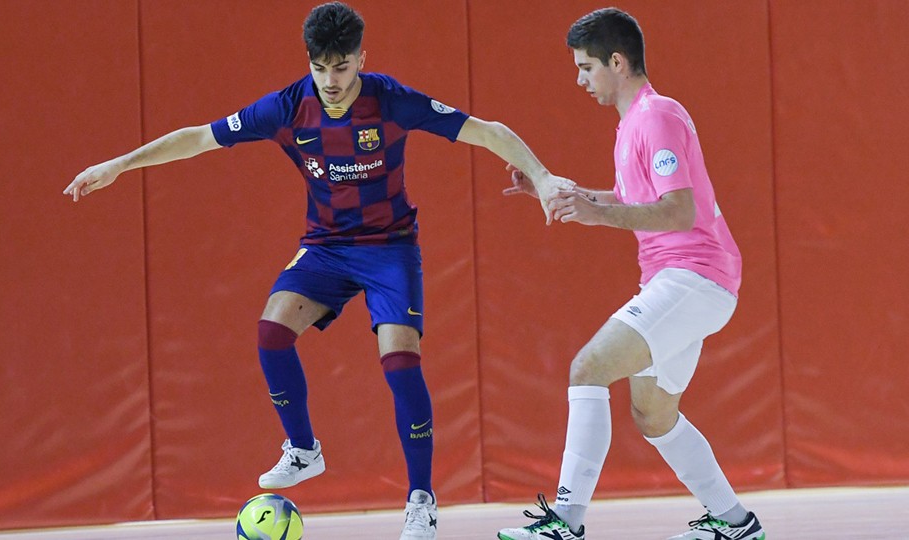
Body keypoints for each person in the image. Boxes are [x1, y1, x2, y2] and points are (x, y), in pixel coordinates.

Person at [63, 3, 569, 539]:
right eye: (321, 67)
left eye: (343, 67)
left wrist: (542, 176)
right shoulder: (286, 108)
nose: (331, 80)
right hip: (325, 247)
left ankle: (420, 498)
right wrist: (118, 164)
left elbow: (487, 131)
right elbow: (197, 138)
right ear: (309, 62)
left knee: (399, 360)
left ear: (361, 59)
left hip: (389, 247)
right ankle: (303, 449)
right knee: (271, 332)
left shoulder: (391, 101)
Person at [497, 8, 765, 540]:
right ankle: (737, 523)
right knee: (654, 416)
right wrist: (573, 197)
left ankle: (565, 522)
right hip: (681, 280)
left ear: (617, 62)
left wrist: (599, 214)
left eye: (586, 67)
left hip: (695, 276)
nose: (580, 80)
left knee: (587, 367)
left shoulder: (657, 117)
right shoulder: (632, 125)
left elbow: (679, 212)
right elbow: (633, 201)